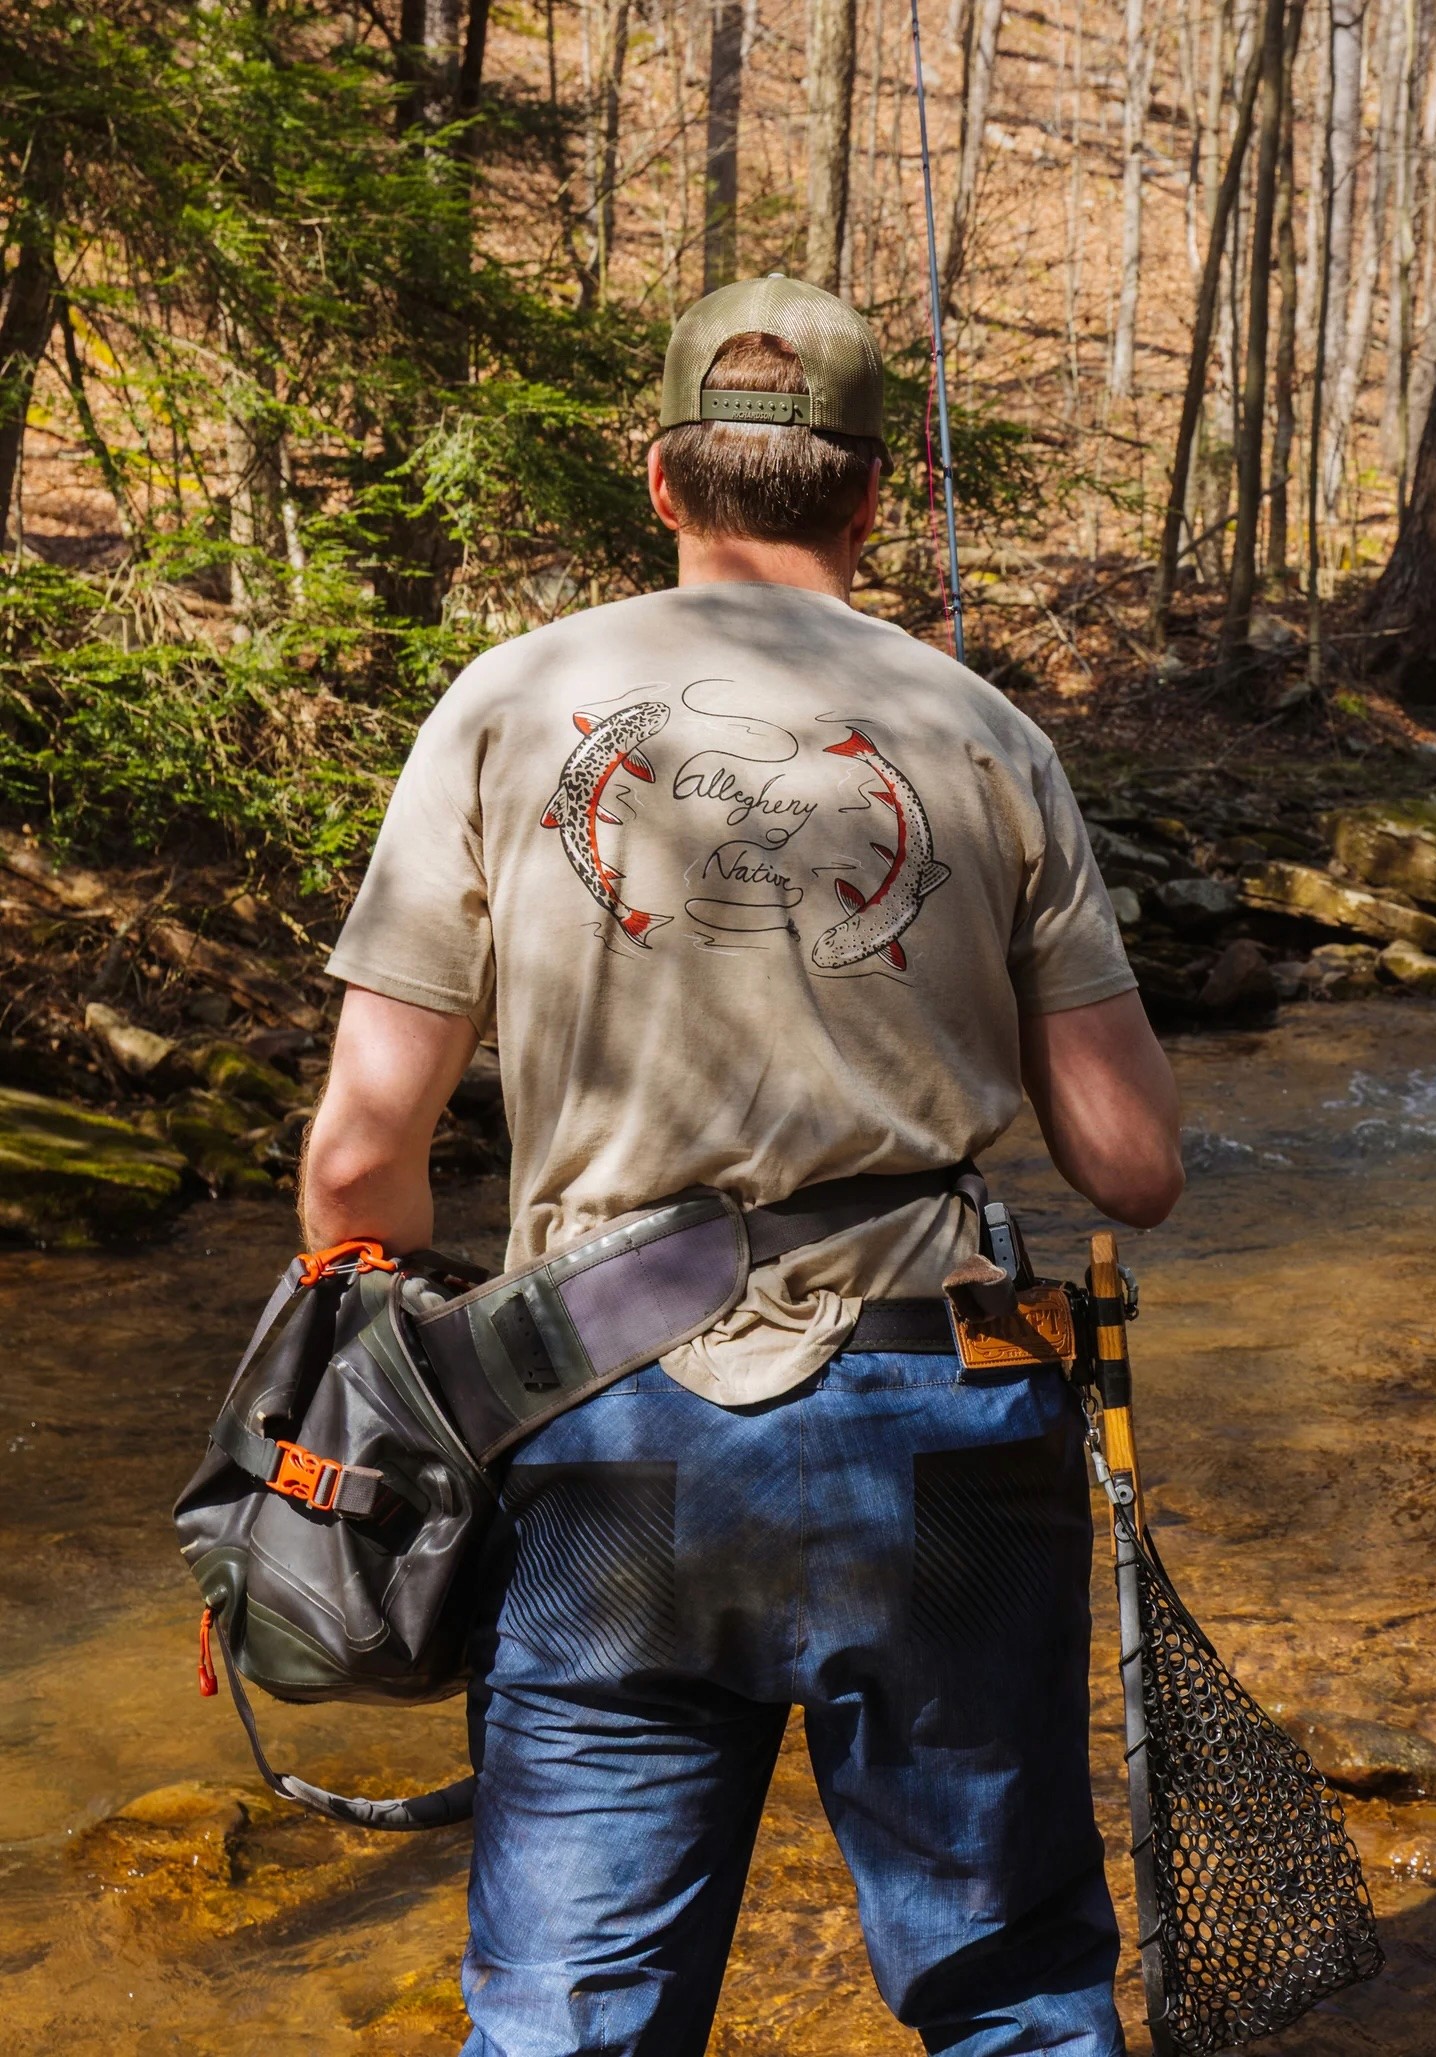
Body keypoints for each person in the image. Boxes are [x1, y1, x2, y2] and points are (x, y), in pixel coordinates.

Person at [302, 273, 1183, 2057]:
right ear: (868, 495)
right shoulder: (986, 735)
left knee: (572, 2005)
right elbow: (1132, 1163)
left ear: (657, 478)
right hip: (934, 1417)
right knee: (1007, 1981)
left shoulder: (505, 701)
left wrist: (373, 1337)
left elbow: (357, 1161)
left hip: (609, 1417)